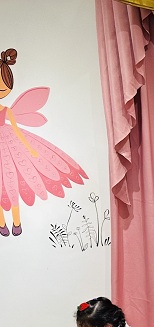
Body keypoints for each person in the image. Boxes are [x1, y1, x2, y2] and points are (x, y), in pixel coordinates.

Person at [0, 48, 87, 237]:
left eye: (4, 84)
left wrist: (30, 149)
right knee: (3, 185)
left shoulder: (7, 110)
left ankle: (16, 223)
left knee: (13, 181)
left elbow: (17, 131)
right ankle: (2, 224)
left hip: (9, 145)